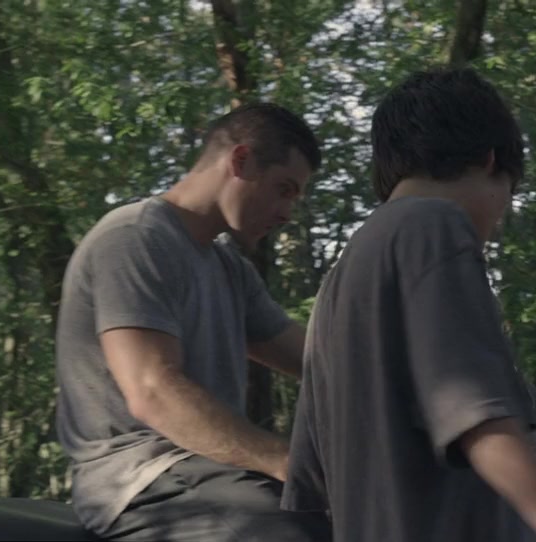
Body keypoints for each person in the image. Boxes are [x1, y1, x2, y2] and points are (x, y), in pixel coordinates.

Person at [280, 67, 536, 542]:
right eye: (509, 195)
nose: (498, 222)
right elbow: (480, 417)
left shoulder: (342, 277)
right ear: (490, 159)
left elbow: (309, 479)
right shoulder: (434, 225)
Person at [54, 102, 332, 541]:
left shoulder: (230, 268)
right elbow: (153, 392)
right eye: (283, 189)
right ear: (241, 161)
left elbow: (319, 360)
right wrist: (287, 461)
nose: (286, 213)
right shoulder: (134, 238)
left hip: (210, 473)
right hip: (143, 479)